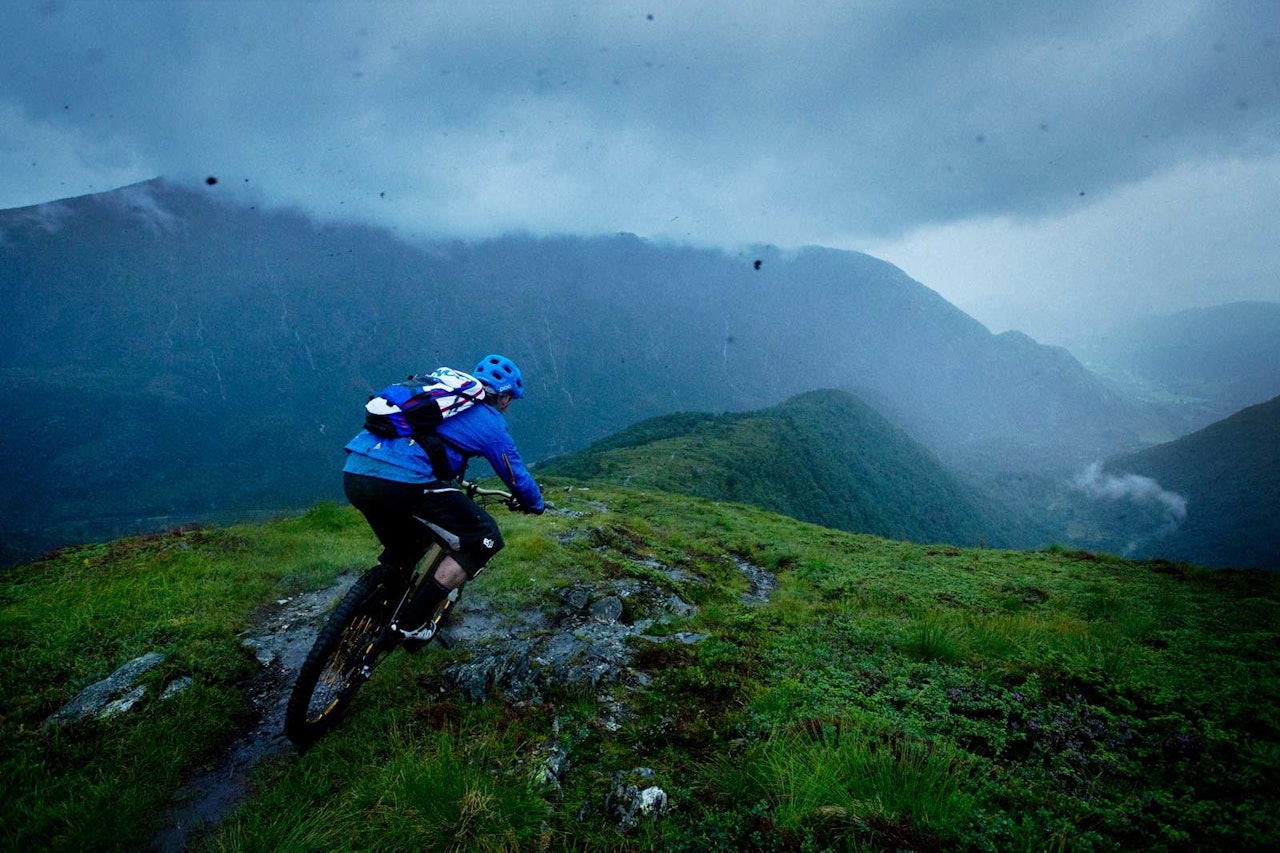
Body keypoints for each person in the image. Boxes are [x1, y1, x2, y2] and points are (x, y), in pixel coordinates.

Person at [342, 353, 545, 640]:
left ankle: (369, 611)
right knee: (484, 538)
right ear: (506, 399)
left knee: (406, 546)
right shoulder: (490, 421)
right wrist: (535, 504)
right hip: (402, 482)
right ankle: (412, 624)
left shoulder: (442, 398)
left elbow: (432, 442)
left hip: (355, 472)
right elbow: (517, 477)